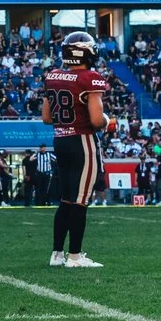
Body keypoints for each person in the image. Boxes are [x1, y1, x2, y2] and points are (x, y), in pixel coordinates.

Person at [40, 30, 112, 268]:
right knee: (80, 201)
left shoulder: (53, 76)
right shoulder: (89, 78)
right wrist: (108, 120)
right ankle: (75, 256)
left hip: (60, 140)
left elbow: (47, 118)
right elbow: (95, 120)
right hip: (82, 141)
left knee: (66, 200)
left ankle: (57, 254)